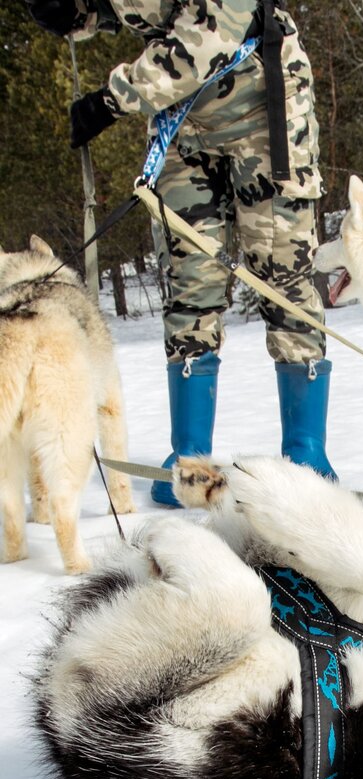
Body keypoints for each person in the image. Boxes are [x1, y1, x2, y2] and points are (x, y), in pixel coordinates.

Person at [25, 0, 336, 505]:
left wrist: (110, 99)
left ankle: (306, 454)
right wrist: (79, 11)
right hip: (184, 123)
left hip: (264, 109)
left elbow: (207, 36)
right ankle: (189, 459)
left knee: (283, 277)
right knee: (190, 283)